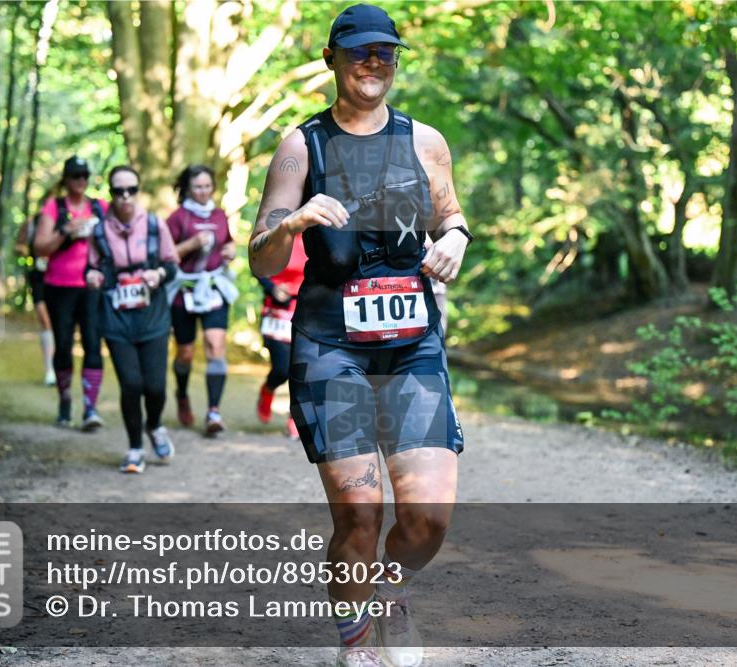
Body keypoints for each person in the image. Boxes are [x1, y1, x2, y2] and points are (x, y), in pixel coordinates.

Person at [248, 5, 471, 666]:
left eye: (387, 53)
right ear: (333, 58)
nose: (375, 63)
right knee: (358, 514)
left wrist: (455, 242)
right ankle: (358, 646)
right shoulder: (301, 145)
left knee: (428, 518)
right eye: (361, 52)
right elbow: (259, 254)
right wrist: (292, 224)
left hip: (411, 342)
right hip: (329, 344)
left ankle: (392, 593)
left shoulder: (423, 141)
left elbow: (452, 218)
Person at [86, 166, 179, 473]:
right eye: (118, 191)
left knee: (154, 387)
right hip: (116, 319)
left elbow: (172, 265)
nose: (125, 196)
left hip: (153, 317)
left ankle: (154, 425)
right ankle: (135, 448)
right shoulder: (99, 231)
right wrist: (94, 277)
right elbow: (92, 268)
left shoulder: (154, 225)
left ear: (138, 190)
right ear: (110, 193)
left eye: (131, 190)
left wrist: (159, 273)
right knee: (131, 384)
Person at [33, 156, 108, 430]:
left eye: (85, 176)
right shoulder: (54, 208)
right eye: (76, 176)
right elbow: (40, 247)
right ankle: (65, 401)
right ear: (66, 179)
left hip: (91, 287)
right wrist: (67, 230)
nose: (81, 181)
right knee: (63, 345)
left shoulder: (100, 207)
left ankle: (90, 408)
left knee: (92, 343)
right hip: (59, 287)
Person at [165, 165, 238, 437]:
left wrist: (230, 250)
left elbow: (228, 243)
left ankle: (213, 413)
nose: (204, 191)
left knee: (215, 346)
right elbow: (165, 254)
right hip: (184, 290)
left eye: (208, 186)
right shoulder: (177, 217)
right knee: (184, 353)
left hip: (214, 287)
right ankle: (182, 393)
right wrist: (191, 244)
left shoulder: (220, 215)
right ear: (187, 188)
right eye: (198, 187)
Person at [255, 231, 307, 439]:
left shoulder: (319, 233)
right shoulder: (277, 232)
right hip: (277, 310)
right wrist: (272, 289)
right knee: (282, 369)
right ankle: (268, 389)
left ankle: (294, 418)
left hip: (305, 307)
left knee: (302, 367)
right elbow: (257, 266)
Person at [14, 194, 56, 386]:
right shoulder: (31, 223)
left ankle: (58, 367)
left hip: (59, 277)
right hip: (38, 276)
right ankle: (49, 370)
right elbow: (18, 246)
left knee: (58, 324)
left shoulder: (64, 222)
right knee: (45, 320)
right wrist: (29, 252)